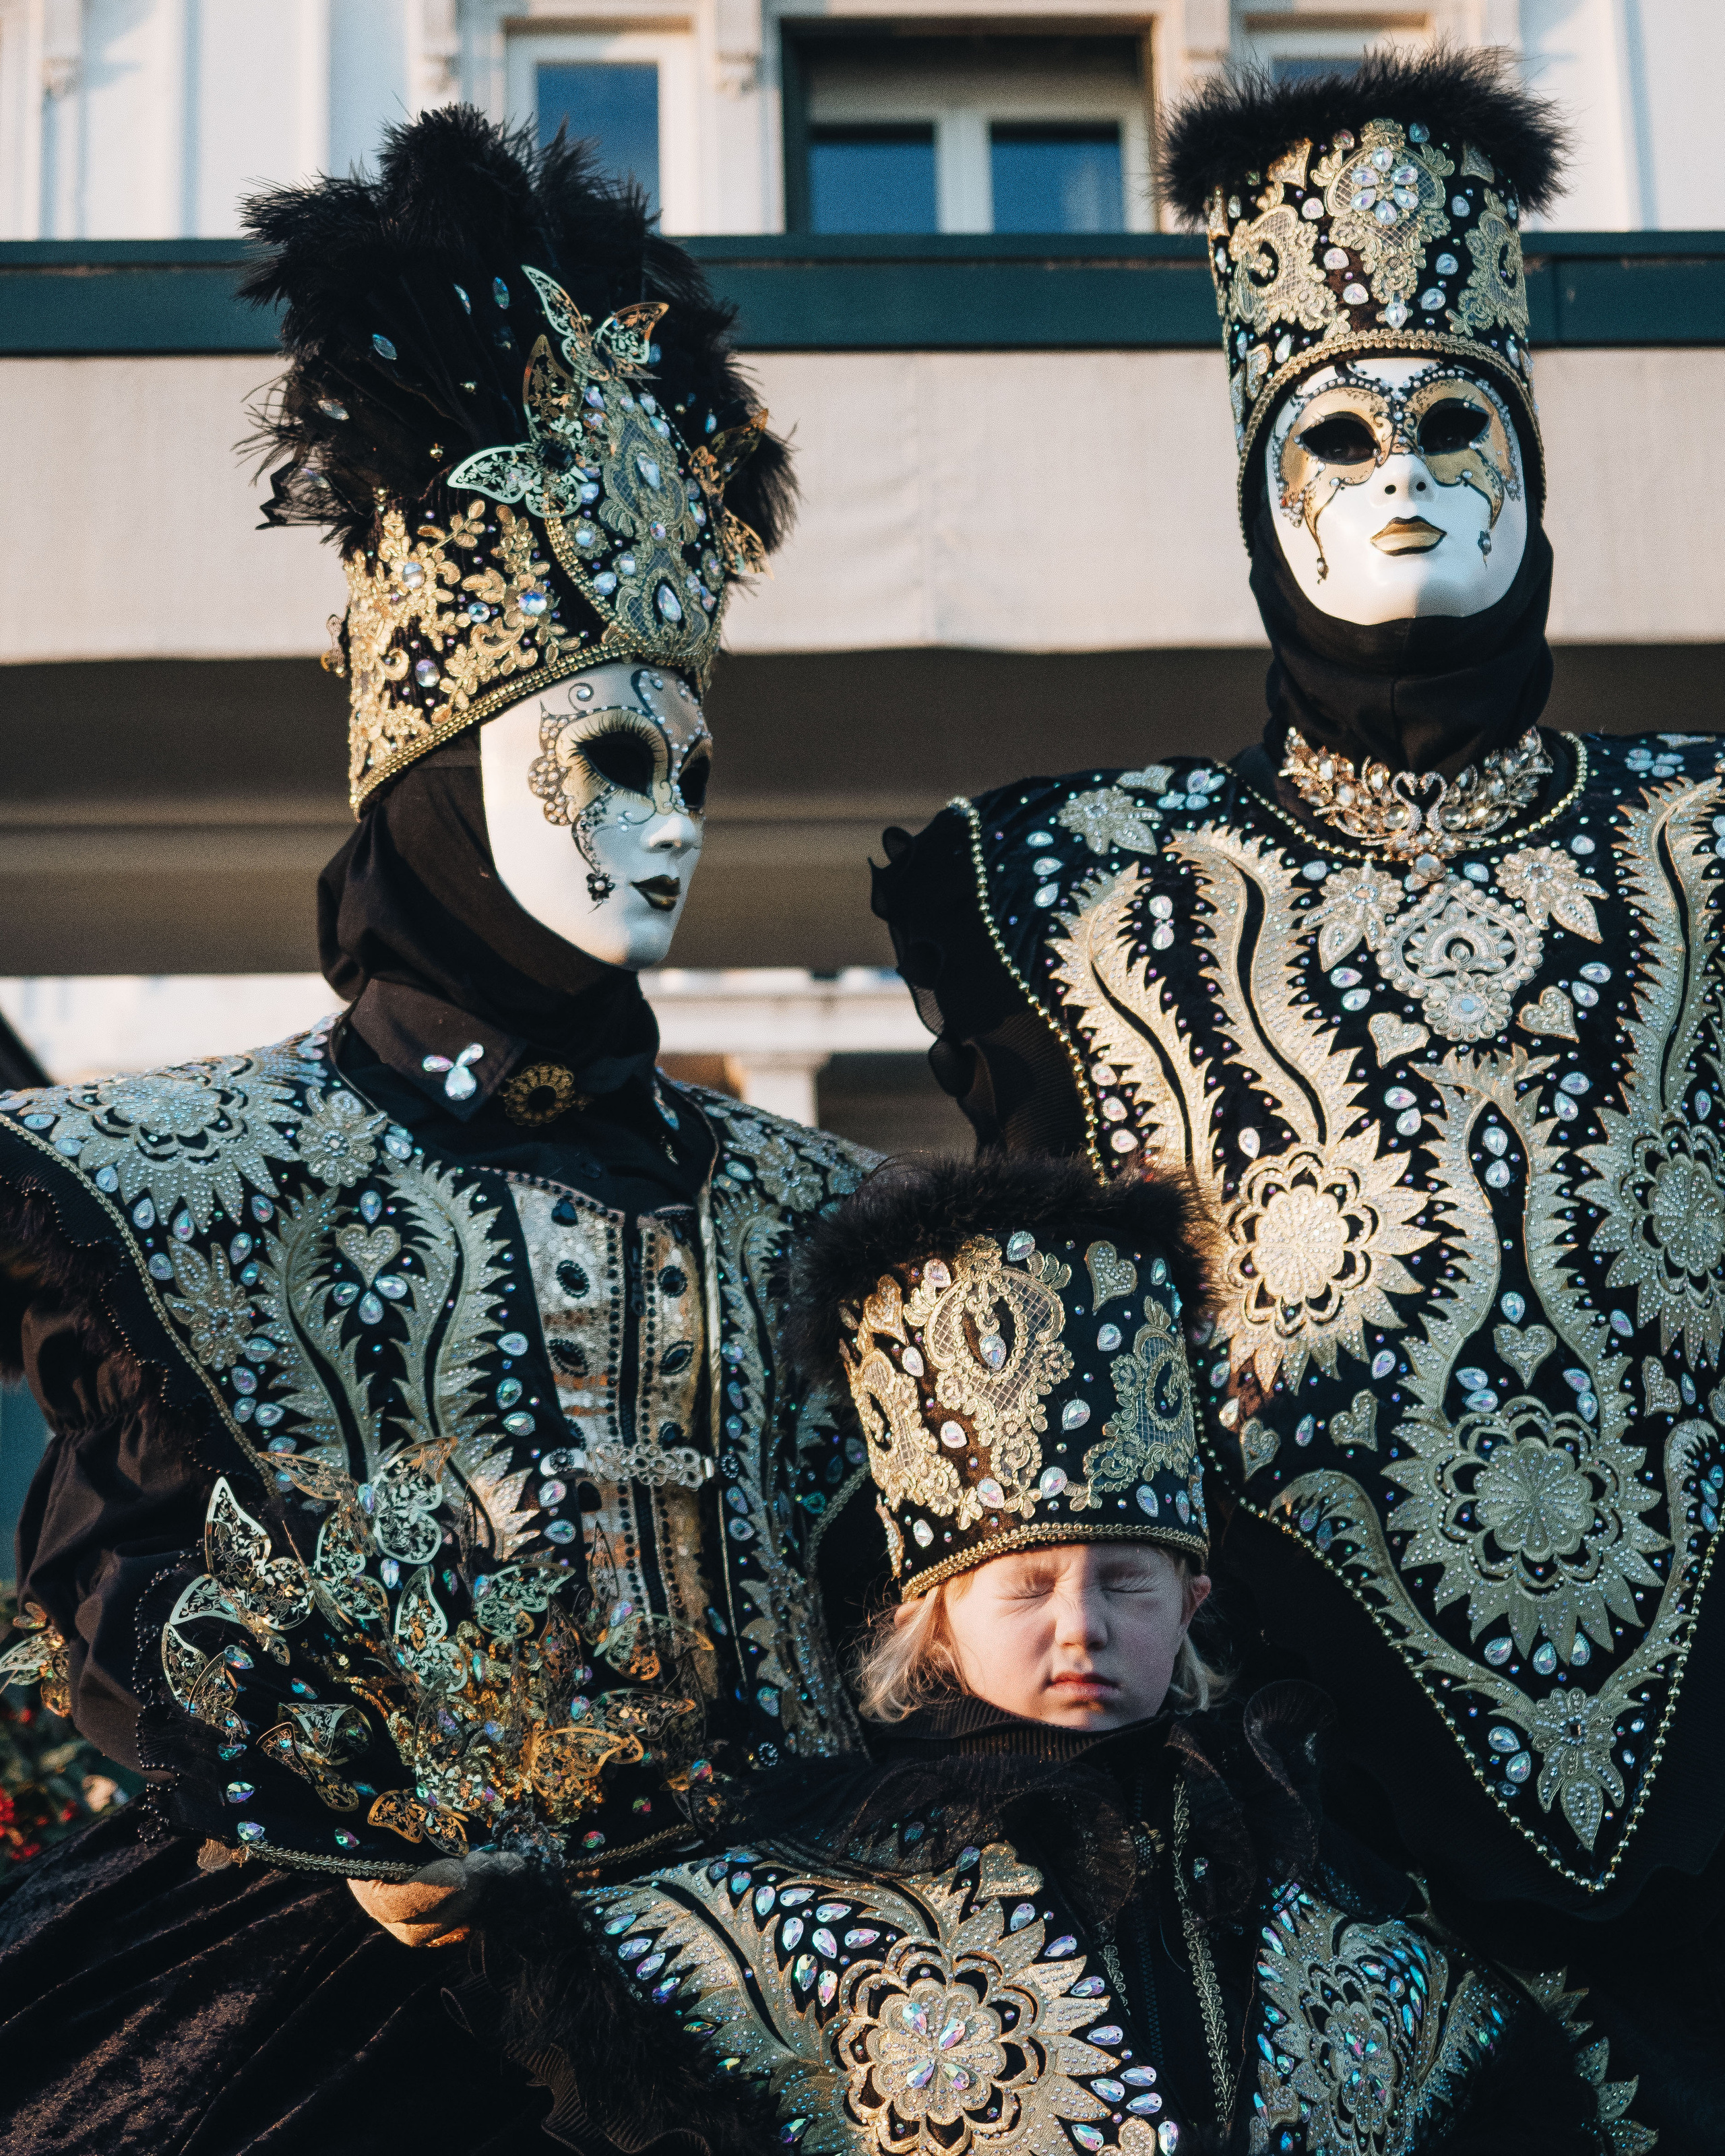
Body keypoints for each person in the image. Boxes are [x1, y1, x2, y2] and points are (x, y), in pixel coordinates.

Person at [0, 108, 881, 2152]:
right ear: (434, 766)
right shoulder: (188, 1195)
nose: (668, 828)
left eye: (695, 771)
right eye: (608, 758)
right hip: (347, 2014)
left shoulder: (819, 1215)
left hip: (796, 2004)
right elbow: (126, 1580)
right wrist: (337, 1792)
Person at [869, 49, 1722, 2148]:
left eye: (1454, 424)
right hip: (1297, 1809)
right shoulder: (1063, 886)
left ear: (1536, 463)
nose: (1401, 475)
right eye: (1336, 435)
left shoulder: (1705, 835)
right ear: (1262, 489)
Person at [447, 1155, 1636, 2155]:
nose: (1082, 1628)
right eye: (1025, 1587)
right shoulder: (751, 1917)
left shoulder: (1338, 1898)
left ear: (1194, 1601)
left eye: (1128, 1583)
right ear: (935, 1614)